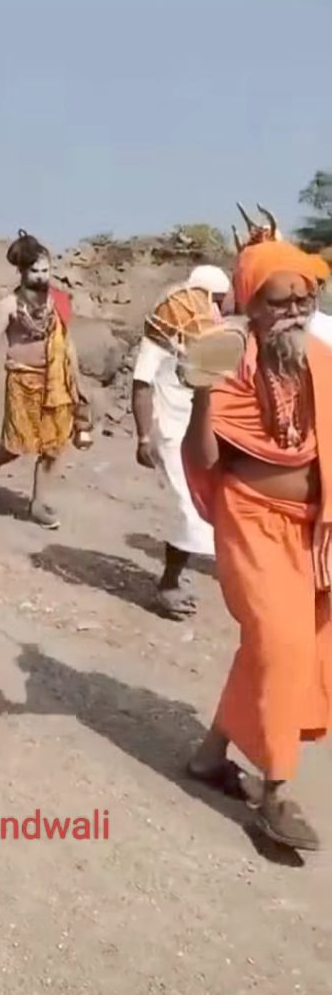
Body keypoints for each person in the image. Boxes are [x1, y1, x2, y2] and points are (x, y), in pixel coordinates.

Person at [183, 240, 332, 850]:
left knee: (278, 644)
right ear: (253, 305)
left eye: (306, 298)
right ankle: (276, 790)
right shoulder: (229, 356)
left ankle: (209, 756)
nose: (297, 309)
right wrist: (199, 394)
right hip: (249, 517)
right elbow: (204, 457)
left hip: (311, 526)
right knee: (280, 639)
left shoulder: (321, 358)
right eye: (283, 300)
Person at [0, 230, 92, 528]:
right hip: (22, 381)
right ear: (23, 272)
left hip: (57, 381)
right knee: (15, 445)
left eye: (46, 270)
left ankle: (38, 503)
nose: (42, 277)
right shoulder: (9, 306)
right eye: (35, 271)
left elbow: (68, 344)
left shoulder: (58, 304)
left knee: (54, 446)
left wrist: (78, 384)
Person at [131, 265, 231, 618]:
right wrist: (144, 436)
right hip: (169, 432)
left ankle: (173, 577)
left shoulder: (209, 342)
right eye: (214, 301)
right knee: (188, 508)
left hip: (198, 433)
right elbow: (141, 386)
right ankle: (167, 586)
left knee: (202, 506)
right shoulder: (159, 340)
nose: (218, 310)